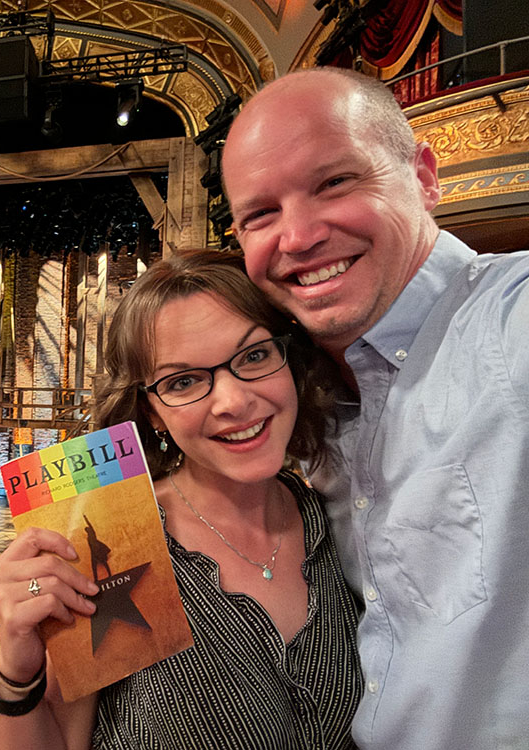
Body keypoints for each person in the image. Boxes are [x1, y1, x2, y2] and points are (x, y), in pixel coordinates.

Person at [221, 67, 529, 749]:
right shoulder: (299, 415)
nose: (297, 237)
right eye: (260, 214)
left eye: (335, 182)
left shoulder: (512, 318)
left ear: (422, 176)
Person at [0, 251, 361, 749]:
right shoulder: (107, 535)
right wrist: (15, 666)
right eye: (183, 381)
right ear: (153, 412)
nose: (232, 402)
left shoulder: (345, 520)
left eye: (254, 355)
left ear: (289, 361)